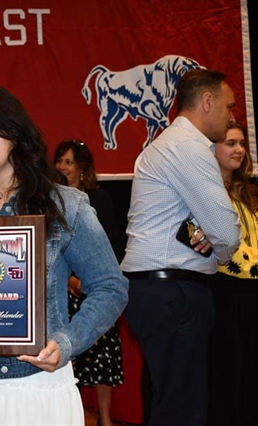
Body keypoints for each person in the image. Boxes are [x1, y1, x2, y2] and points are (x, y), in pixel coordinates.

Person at [0, 84, 128, 425]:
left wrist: (67, 342)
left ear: (12, 129)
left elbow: (111, 287)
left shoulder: (65, 205)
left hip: (34, 381)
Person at [120, 68, 241, 426]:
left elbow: (208, 226)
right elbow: (227, 231)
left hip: (159, 290)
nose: (232, 116)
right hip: (172, 291)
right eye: (229, 106)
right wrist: (220, 251)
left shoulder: (169, 143)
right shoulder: (187, 147)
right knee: (182, 409)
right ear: (207, 101)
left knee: (170, 400)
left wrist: (210, 237)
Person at [54, 139, 125, 426]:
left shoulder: (98, 200)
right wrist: (70, 280)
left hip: (94, 289)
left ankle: (105, 419)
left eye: (68, 162)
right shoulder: (52, 200)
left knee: (103, 355)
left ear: (82, 168)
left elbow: (112, 245)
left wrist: (87, 280)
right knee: (65, 353)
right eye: (59, 161)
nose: (62, 166)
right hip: (64, 290)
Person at [207, 122, 258, 426]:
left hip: (254, 291)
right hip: (223, 288)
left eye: (241, 143)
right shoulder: (206, 193)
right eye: (230, 143)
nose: (239, 149)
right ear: (212, 149)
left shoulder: (251, 193)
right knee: (226, 368)